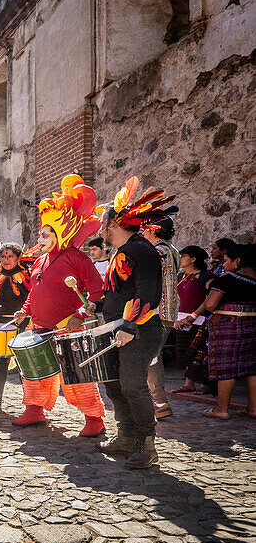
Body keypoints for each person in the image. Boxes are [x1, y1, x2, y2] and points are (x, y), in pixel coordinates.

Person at [12, 175, 107, 436]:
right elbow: (35, 291)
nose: (41, 238)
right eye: (41, 233)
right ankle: (34, 410)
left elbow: (98, 292)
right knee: (34, 373)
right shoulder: (39, 261)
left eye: (46, 233)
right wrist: (25, 310)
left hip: (69, 328)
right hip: (39, 327)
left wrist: (80, 315)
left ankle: (94, 419)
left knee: (77, 376)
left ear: (62, 231)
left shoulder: (77, 258)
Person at [96, 177, 173, 469]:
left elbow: (148, 292)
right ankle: (126, 437)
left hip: (139, 330)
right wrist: (98, 306)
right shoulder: (125, 250)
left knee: (133, 385)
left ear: (113, 224)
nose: (100, 230)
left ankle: (146, 446)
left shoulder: (140, 249)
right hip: (121, 329)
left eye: (103, 224)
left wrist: (129, 326)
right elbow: (122, 291)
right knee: (115, 384)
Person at [178, 243, 256, 419]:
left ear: (237, 261)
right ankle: (253, 408)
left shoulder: (227, 279)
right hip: (252, 324)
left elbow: (211, 304)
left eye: (227, 260)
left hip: (227, 326)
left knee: (226, 367)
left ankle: (221, 409)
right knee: (251, 368)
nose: (224, 265)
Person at [0, 242, 31, 413]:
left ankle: (30, 405)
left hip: (22, 325)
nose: (6, 260)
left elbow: (33, 298)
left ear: (18, 258)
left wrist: (24, 314)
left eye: (10, 257)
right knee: (0, 364)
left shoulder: (25, 277)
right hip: (1, 324)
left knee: (24, 367)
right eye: (3, 256)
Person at [142, 216, 180, 419]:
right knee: (152, 357)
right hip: (167, 311)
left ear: (153, 230)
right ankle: (157, 402)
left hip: (159, 312)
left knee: (151, 358)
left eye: (146, 229)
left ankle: (160, 403)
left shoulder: (158, 250)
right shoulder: (172, 249)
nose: (143, 232)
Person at [172, 245, 212, 393]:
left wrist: (193, 316)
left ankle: (205, 384)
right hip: (181, 321)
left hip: (199, 320)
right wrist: (175, 318)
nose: (180, 259)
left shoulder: (205, 277)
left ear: (193, 259)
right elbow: (175, 299)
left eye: (183, 256)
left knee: (200, 353)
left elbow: (209, 298)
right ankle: (189, 383)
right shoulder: (179, 276)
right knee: (185, 352)